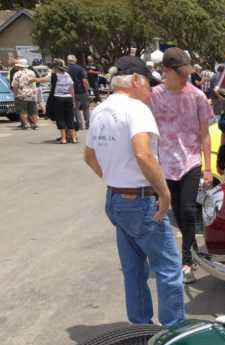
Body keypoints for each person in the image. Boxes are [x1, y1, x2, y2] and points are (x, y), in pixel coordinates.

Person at [83, 55, 184, 326]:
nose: (151, 90)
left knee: (133, 269)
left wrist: (114, 175)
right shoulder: (136, 109)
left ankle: (139, 331)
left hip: (116, 197)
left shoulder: (100, 110)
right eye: (148, 84)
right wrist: (164, 193)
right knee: (168, 269)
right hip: (140, 199)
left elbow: (90, 156)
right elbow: (143, 154)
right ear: (136, 81)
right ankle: (174, 335)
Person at [151, 47, 214, 284]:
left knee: (189, 210)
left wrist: (207, 168)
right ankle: (193, 246)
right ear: (166, 70)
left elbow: (205, 134)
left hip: (190, 160)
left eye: (188, 72)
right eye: (182, 73)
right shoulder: (153, 96)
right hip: (165, 163)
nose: (186, 77)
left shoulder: (196, 96)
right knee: (176, 212)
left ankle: (187, 260)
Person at [50, 59, 78, 144]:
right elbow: (71, 88)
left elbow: (43, 79)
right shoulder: (67, 75)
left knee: (60, 118)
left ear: (55, 67)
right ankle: (74, 138)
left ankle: (64, 139)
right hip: (68, 98)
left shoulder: (54, 75)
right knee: (70, 117)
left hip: (58, 98)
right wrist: (73, 100)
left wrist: (34, 79)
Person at [10, 58, 39, 130]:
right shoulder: (32, 72)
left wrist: (15, 93)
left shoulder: (17, 73)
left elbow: (15, 85)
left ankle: (26, 124)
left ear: (20, 66)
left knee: (23, 110)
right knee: (33, 110)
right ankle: (34, 124)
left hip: (21, 95)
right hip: (32, 94)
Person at [67, 54, 90, 129]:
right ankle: (88, 124)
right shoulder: (80, 68)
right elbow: (84, 80)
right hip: (82, 91)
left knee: (75, 109)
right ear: (75, 60)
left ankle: (80, 125)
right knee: (85, 108)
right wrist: (87, 90)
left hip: (71, 91)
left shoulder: (66, 69)